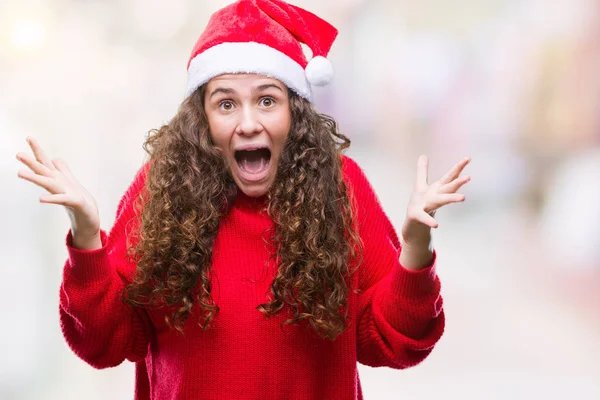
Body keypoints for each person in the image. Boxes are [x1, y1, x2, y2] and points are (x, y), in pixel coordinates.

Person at [15, 0, 471, 399]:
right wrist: (87, 238)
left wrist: (415, 249)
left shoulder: (341, 187)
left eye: (267, 101)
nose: (248, 123)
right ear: (202, 117)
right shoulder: (161, 189)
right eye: (227, 104)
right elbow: (107, 343)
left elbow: (392, 343)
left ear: (296, 113)